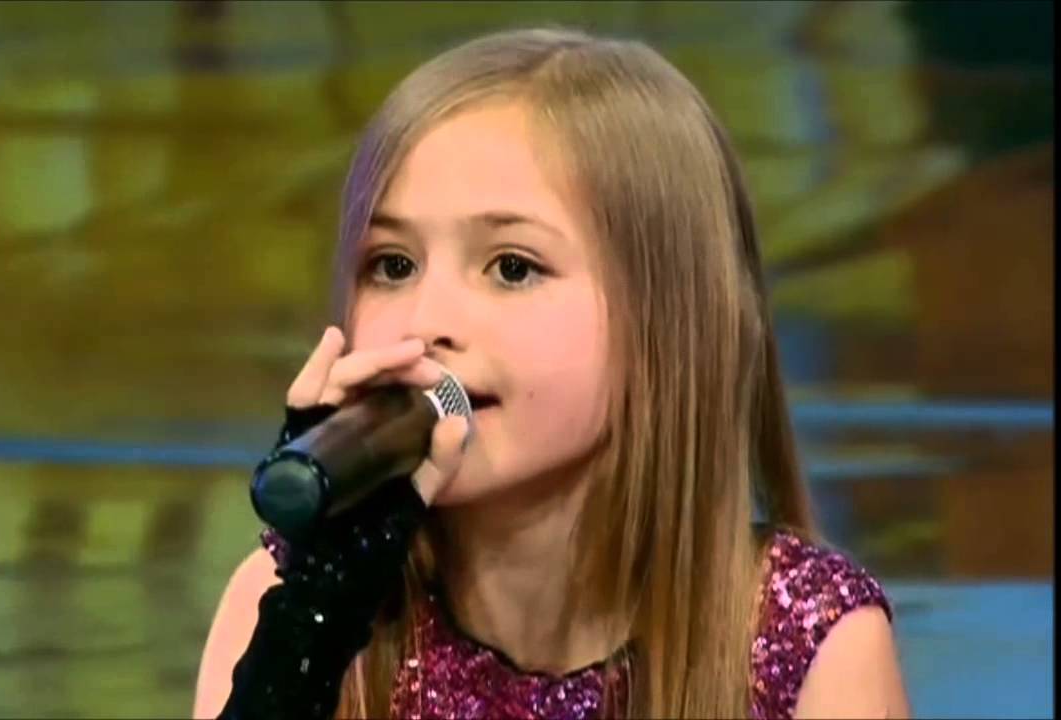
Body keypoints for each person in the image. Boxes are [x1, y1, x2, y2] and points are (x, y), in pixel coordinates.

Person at [193, 26, 910, 720]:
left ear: (667, 321)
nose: (425, 319)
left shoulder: (810, 639)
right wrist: (312, 626)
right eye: (393, 264)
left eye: (512, 267)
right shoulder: (285, 600)